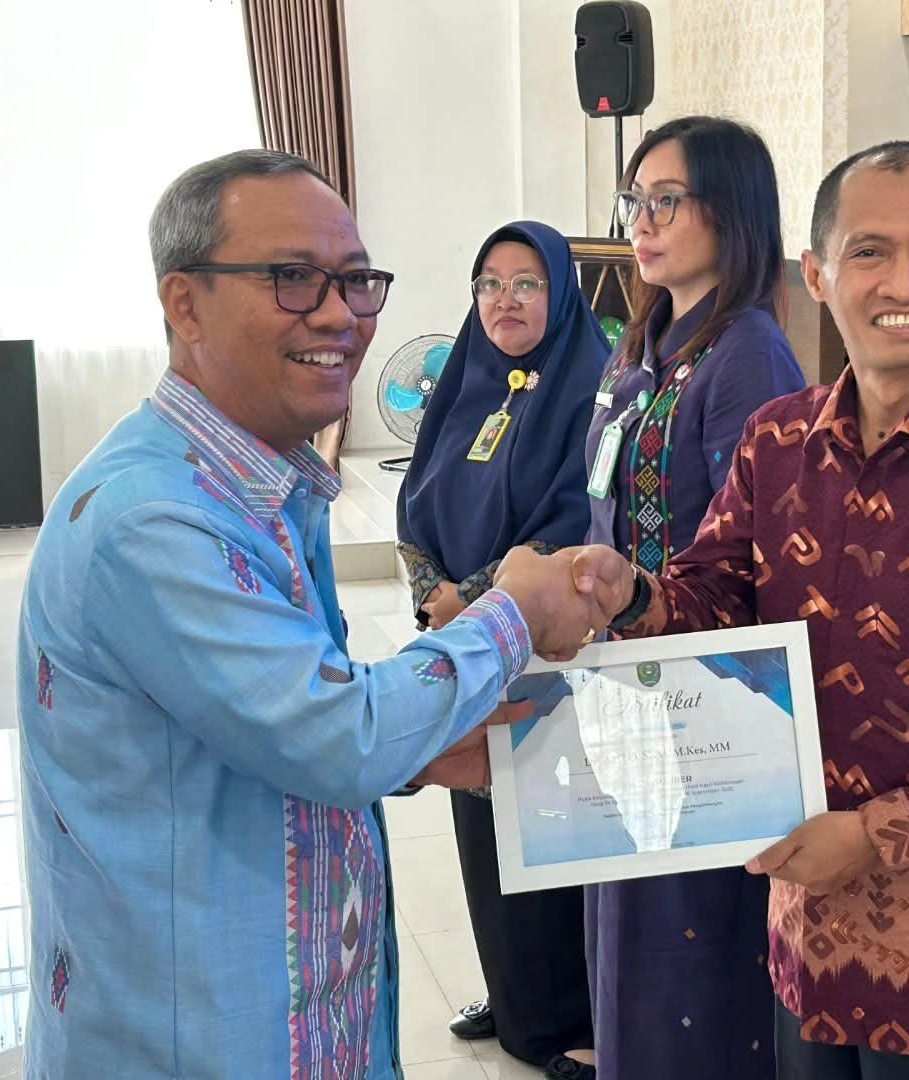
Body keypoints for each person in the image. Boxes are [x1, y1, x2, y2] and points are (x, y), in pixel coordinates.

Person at [16, 149, 600, 1079]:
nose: (339, 315)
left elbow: (278, 710)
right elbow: (339, 733)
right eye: (292, 278)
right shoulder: (155, 519)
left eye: (356, 281)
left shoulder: (266, 487)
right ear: (184, 304)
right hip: (200, 1044)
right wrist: (514, 610)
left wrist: (413, 753)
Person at [564, 141, 909, 1077]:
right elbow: (717, 601)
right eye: (869, 250)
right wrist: (630, 595)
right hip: (813, 938)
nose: (904, 282)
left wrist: (878, 837)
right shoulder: (777, 441)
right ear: (819, 274)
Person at [581, 115, 806, 1079]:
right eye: (635, 201)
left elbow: (757, 557)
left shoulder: (747, 354)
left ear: (732, 211)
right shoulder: (648, 339)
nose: (642, 221)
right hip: (626, 680)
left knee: (690, 958)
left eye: (666, 201)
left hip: (703, 700)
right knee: (629, 942)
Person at [397, 221, 606, 1078]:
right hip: (466, 644)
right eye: (489, 283)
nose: (504, 300)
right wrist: (433, 594)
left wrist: (477, 596)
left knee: (546, 827)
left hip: (547, 646)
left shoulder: (587, 386)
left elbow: (574, 513)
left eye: (527, 283)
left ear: (561, 295)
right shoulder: (466, 383)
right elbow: (415, 498)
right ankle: (512, 993)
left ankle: (571, 1017)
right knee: (480, 824)